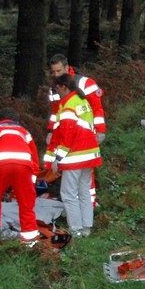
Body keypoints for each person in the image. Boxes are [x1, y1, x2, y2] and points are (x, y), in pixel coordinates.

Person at [44, 73, 102, 237]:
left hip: (75, 156)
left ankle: (75, 229)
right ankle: (86, 228)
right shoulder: (82, 101)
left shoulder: (69, 105)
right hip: (90, 155)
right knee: (84, 191)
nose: (57, 93)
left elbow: (67, 136)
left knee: (68, 194)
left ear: (64, 87)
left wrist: (58, 158)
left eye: (57, 89)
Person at [0, 109, 41, 247]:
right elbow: (34, 159)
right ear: (17, 121)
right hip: (23, 167)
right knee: (26, 206)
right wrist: (32, 179)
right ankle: (31, 244)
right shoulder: (25, 133)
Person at [47, 54, 106, 204]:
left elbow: (97, 109)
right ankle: (78, 203)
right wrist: (51, 131)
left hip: (85, 133)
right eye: (53, 72)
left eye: (59, 71)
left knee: (85, 168)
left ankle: (88, 202)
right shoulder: (54, 89)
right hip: (66, 132)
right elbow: (56, 113)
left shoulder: (85, 83)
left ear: (67, 67)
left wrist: (100, 131)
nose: (56, 75)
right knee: (70, 168)